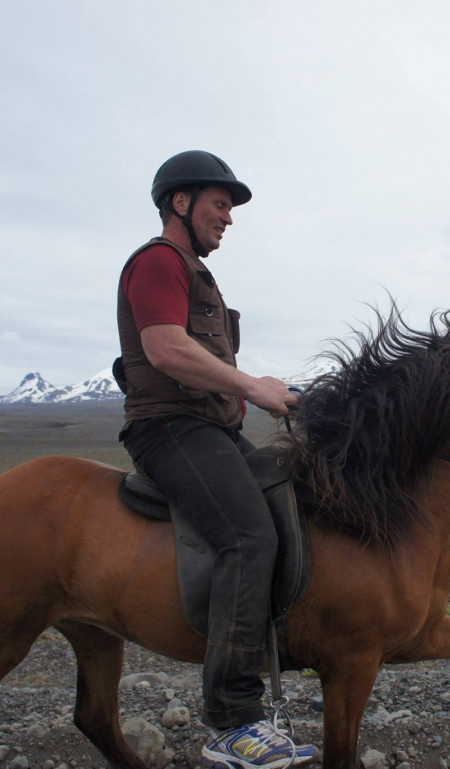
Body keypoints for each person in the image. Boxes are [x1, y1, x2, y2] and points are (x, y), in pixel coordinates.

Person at [115, 150, 317, 768]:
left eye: (230, 209)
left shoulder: (199, 275)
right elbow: (166, 349)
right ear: (181, 202)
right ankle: (232, 720)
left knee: (292, 497)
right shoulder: (158, 261)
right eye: (220, 204)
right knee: (247, 537)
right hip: (169, 429)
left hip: (211, 431)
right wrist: (251, 386)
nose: (229, 218)